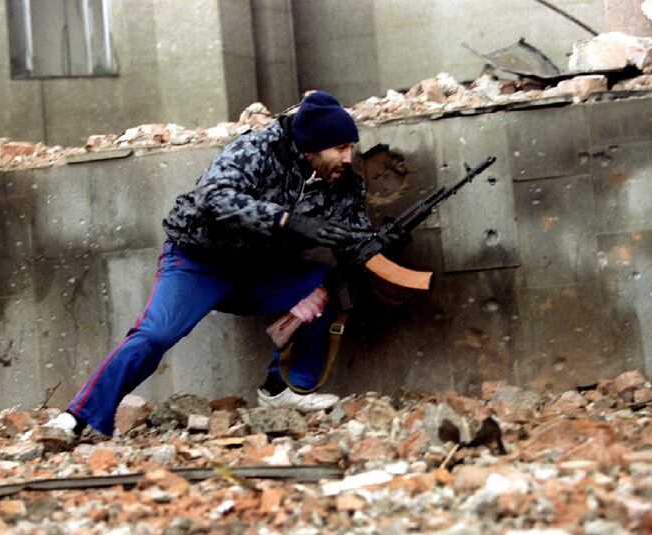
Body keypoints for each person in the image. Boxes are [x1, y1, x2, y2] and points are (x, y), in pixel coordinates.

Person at [45, 91, 397, 438]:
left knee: (324, 286)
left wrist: (376, 247)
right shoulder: (256, 150)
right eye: (340, 149)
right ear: (312, 146)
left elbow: (351, 238)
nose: (348, 158)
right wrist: (287, 221)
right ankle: (78, 416)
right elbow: (213, 199)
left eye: (350, 148)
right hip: (198, 263)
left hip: (258, 272)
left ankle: (281, 389)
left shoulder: (343, 182)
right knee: (155, 335)